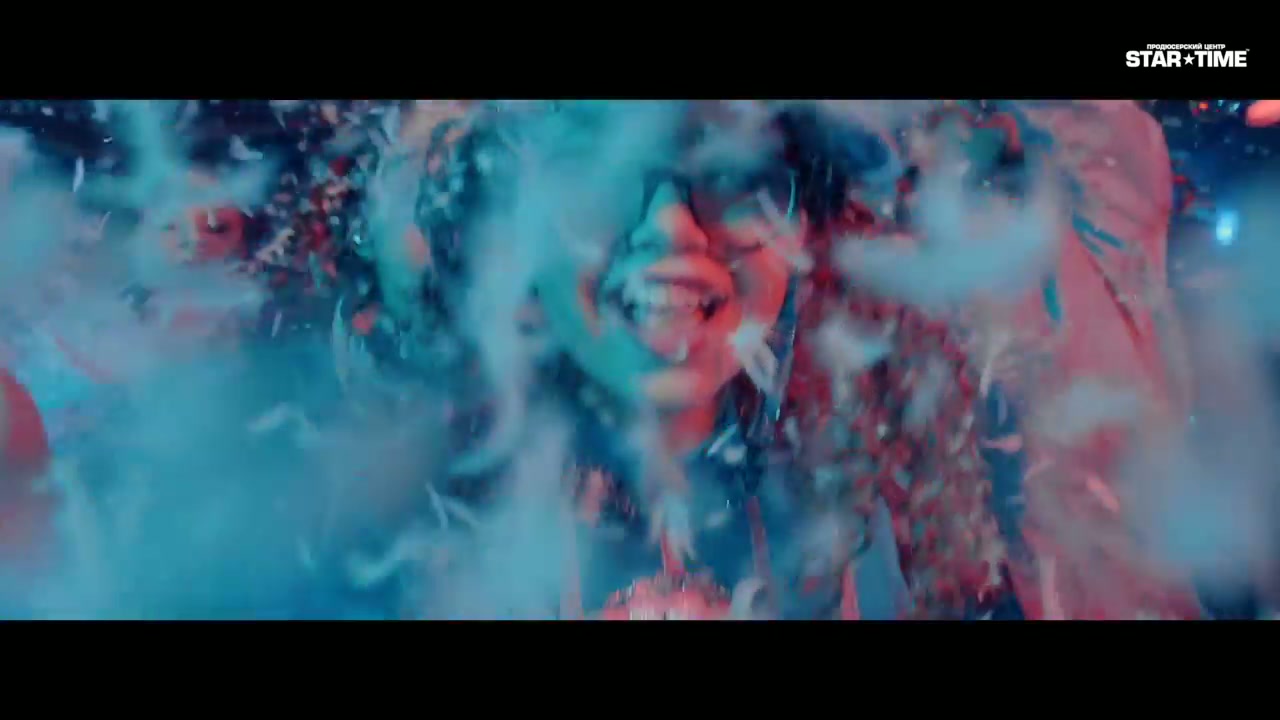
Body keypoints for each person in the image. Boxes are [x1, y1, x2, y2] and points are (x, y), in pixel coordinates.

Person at [323, 100, 1198, 619]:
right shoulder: (411, 485)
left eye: (735, 173)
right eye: (599, 174)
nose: (672, 229)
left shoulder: (933, 463)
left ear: (808, 225)